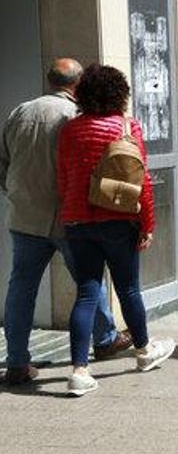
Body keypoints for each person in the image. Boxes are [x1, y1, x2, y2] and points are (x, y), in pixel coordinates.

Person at [0, 59, 129, 386]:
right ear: (78, 83)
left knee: (21, 288)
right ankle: (104, 338)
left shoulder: (21, 112)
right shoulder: (76, 118)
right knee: (89, 282)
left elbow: (3, 162)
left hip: (24, 216)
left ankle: (16, 362)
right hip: (69, 219)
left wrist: (16, 193)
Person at [57, 64, 175, 396]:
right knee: (129, 290)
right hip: (118, 220)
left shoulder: (70, 130)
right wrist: (147, 225)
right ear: (119, 93)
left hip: (77, 222)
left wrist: (71, 211)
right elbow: (143, 183)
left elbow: (63, 180)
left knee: (86, 293)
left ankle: (79, 371)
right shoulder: (126, 127)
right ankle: (143, 350)